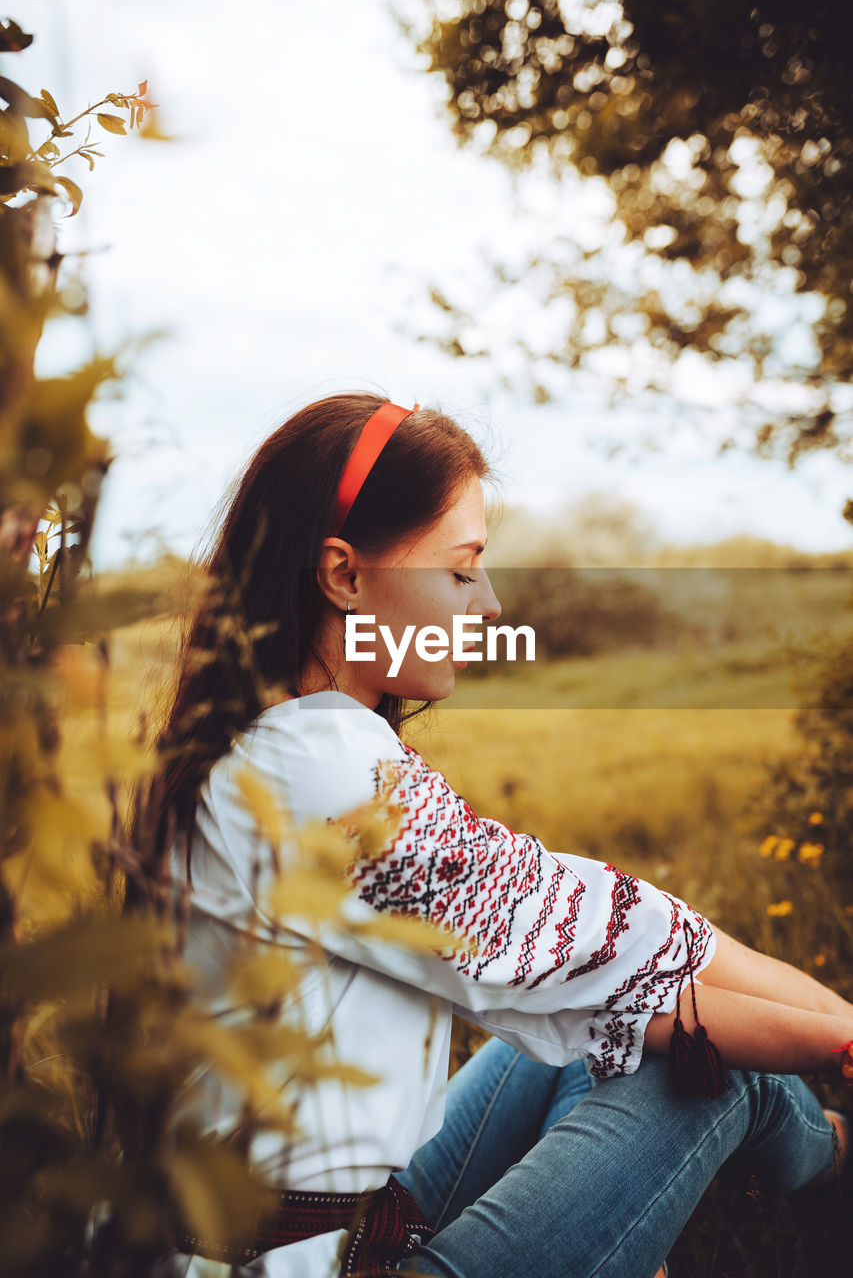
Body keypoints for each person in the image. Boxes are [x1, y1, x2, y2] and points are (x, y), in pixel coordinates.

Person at [148, 393, 853, 1278]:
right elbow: (626, 942)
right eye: (461, 569)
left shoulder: (275, 735)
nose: (485, 602)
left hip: (352, 1221)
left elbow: (600, 945)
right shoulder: (327, 771)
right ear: (344, 576)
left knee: (610, 1034)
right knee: (716, 1068)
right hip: (299, 1262)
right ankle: (837, 1172)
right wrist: (843, 1039)